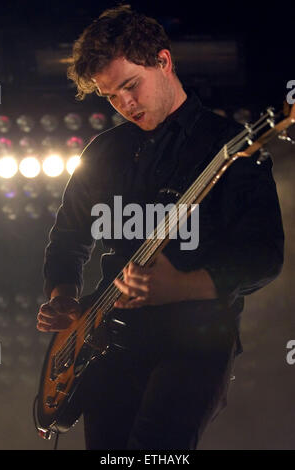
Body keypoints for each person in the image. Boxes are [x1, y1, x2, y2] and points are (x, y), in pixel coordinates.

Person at [36, 5, 284, 450]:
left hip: (197, 342)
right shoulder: (103, 152)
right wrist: (63, 298)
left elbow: (265, 255)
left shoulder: (230, 148)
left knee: (157, 448)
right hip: (107, 342)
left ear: (163, 62)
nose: (125, 104)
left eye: (131, 86)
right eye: (111, 96)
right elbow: (69, 240)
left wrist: (183, 286)